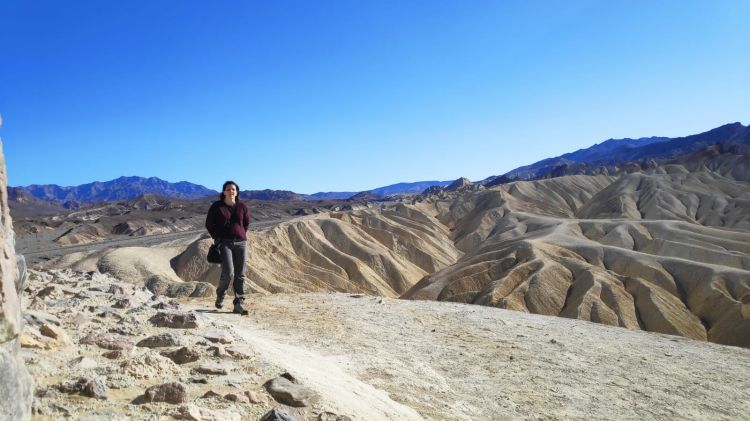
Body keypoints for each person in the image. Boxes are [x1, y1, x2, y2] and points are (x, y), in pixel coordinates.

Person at [205, 180, 251, 315]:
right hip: (224, 243)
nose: (231, 191)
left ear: (237, 192)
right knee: (228, 272)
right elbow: (209, 224)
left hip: (241, 243)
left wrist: (240, 234)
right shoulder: (217, 206)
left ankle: (239, 303)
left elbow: (246, 224)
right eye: (228, 189)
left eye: (233, 189)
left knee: (240, 274)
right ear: (224, 192)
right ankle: (221, 295)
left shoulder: (242, 206)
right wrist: (217, 237)